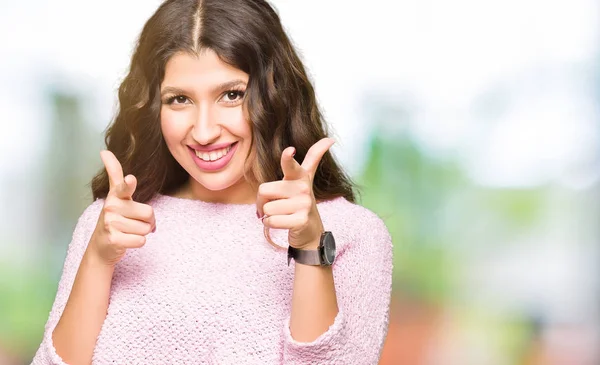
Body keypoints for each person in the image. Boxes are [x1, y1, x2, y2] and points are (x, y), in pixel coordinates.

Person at [32, 0, 393, 364]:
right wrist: (98, 258)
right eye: (179, 100)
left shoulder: (353, 234)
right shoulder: (112, 225)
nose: (204, 131)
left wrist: (310, 249)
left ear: (276, 93)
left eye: (231, 95)